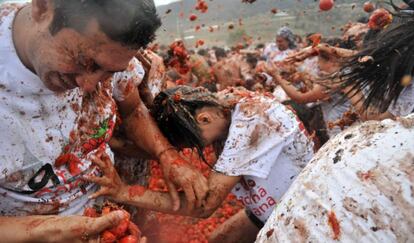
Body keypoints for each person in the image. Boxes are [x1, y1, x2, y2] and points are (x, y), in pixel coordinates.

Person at [0, 1, 207, 242]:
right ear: (43, 8)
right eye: (85, 61)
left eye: (109, 72)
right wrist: (51, 230)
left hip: (105, 213)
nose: (89, 85)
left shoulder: (111, 51)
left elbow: (132, 110)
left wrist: (166, 154)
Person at [84, 86, 314, 242]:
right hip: (265, 208)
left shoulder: (253, 118)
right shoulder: (220, 105)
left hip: (302, 216)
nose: (196, 150)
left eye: (194, 143)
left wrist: (123, 192)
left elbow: (204, 206)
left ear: (204, 119)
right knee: (218, 240)